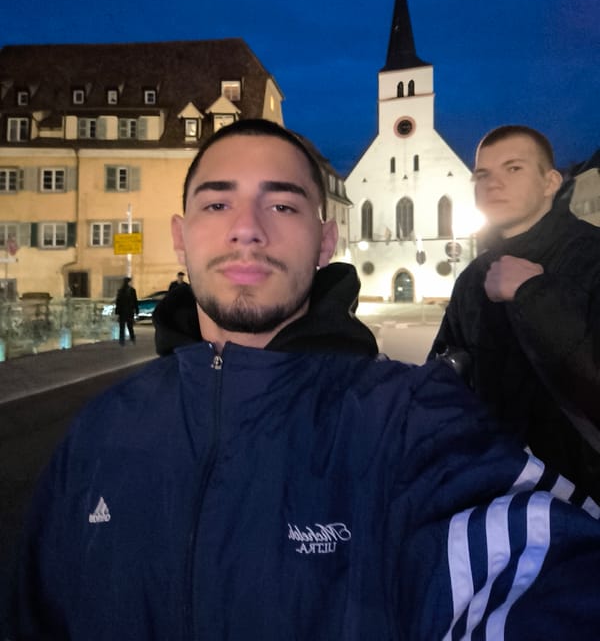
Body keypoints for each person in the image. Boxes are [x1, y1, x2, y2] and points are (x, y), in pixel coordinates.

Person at [13, 120, 600, 640]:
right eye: (217, 205)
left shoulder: (408, 419)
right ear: (179, 236)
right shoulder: (100, 430)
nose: (247, 229)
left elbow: (539, 566)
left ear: (325, 242)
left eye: (284, 206)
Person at [429, 124, 600, 501]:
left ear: (550, 182)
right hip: (496, 494)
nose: (493, 183)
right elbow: (444, 380)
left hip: (583, 501)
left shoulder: (591, 256)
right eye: (482, 175)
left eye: (514, 168)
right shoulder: (474, 277)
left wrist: (533, 295)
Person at [114, 276, 138, 345]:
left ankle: (126, 340)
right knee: (127, 326)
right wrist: (136, 310)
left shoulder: (124, 291)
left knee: (127, 326)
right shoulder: (127, 290)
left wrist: (117, 312)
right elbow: (118, 302)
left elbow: (118, 302)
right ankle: (129, 339)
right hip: (127, 311)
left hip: (126, 311)